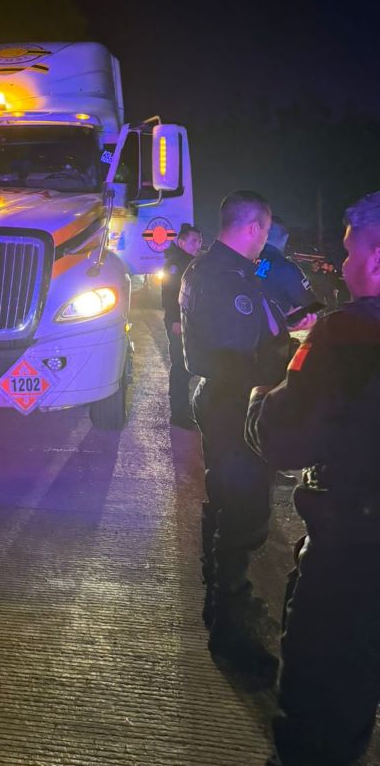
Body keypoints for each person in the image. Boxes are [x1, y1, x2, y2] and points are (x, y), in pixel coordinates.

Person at [246, 191, 380, 766]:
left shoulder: (348, 333)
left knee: (319, 719)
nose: (344, 266)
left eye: (351, 253)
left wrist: (258, 400)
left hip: (353, 555)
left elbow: (284, 438)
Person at [180, 190, 299, 681]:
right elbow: (238, 356)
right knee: (244, 509)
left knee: (225, 499)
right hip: (235, 403)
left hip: (221, 400)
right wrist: (282, 356)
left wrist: (285, 320)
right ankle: (231, 624)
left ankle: (220, 599)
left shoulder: (215, 269)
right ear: (253, 227)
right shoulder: (227, 279)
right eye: (265, 233)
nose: (266, 242)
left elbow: (279, 299)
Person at [161, 222, 203, 428]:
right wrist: (176, 320)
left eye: (200, 240)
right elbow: (169, 295)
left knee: (186, 366)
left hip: (189, 321)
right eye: (194, 241)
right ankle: (178, 414)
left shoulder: (190, 262)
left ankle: (182, 408)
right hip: (179, 322)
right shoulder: (176, 263)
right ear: (181, 242)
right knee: (180, 366)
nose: (198, 244)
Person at [255, 216, 318, 317]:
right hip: (273, 331)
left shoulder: (241, 261)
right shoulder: (286, 269)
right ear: (285, 238)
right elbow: (310, 307)